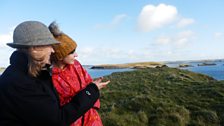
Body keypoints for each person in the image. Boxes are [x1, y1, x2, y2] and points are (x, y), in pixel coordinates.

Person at [0, 21, 110, 126]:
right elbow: (56, 121)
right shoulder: (19, 84)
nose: (53, 51)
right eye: (49, 45)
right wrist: (91, 91)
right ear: (35, 48)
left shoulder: (34, 73)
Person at [49, 22, 107, 126]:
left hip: (92, 119)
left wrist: (94, 86)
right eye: (72, 52)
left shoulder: (76, 65)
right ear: (60, 55)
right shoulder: (49, 77)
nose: (76, 55)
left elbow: (88, 82)